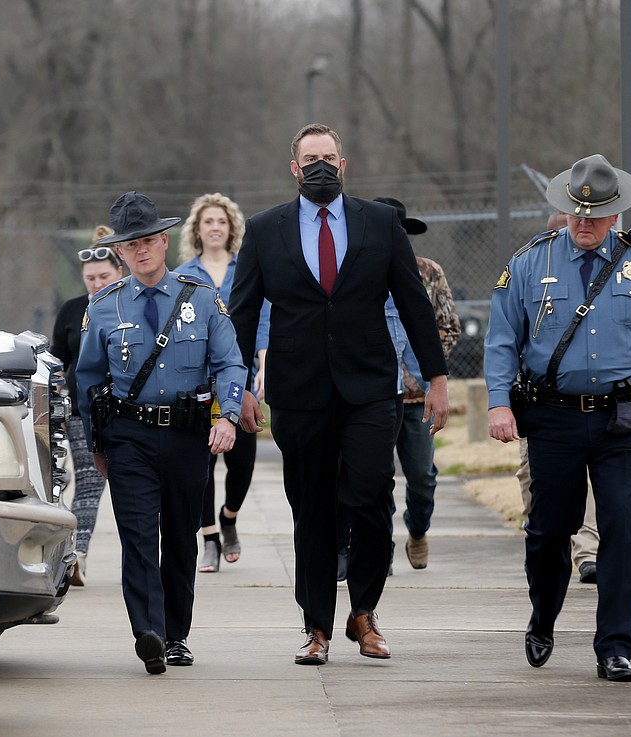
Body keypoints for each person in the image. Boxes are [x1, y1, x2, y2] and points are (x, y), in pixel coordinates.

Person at [484, 154, 631, 683]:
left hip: (620, 422)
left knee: (623, 531)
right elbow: (502, 342)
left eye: (594, 214)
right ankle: (543, 616)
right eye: (575, 212)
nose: (583, 222)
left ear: (615, 214)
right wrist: (499, 402)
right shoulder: (529, 265)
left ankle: (614, 646)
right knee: (550, 531)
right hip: (553, 419)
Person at [229, 124, 449, 666]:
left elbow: (415, 306)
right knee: (312, 510)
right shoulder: (264, 230)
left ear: (344, 165)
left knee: (371, 498)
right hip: (299, 392)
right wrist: (238, 391)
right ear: (294, 167)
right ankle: (316, 627)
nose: (321, 165)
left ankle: (365, 614)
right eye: (311, 158)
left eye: (330, 157)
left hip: (371, 387)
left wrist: (437, 380)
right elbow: (242, 315)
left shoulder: (380, 223)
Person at [76, 192, 247, 675]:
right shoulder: (105, 306)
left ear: (165, 242)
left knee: (179, 535)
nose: (143, 251)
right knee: (136, 535)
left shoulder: (201, 298)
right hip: (128, 435)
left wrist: (227, 415)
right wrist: (97, 443)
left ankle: (176, 634)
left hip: (187, 434)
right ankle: (147, 632)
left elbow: (230, 362)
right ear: (121, 253)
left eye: (150, 241)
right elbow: (88, 379)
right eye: (133, 246)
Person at [337, 198, 460, 579]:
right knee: (376, 477)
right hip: (374, 397)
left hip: (418, 398)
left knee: (421, 476)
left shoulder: (428, 272)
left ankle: (418, 528)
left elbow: (449, 327)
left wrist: (423, 366)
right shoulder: (357, 270)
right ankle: (381, 547)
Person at [178, 193, 270, 573]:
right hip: (197, 380)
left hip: (240, 376)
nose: (215, 227)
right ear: (197, 231)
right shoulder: (182, 274)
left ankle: (229, 515)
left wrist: (264, 365)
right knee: (201, 462)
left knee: (242, 462)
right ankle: (210, 536)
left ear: (231, 229)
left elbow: (263, 319)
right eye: (208, 222)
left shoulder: (247, 268)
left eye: (221, 221)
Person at [515, 210, 599, 584]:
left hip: (587, 405)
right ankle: (545, 534)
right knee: (531, 475)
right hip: (539, 405)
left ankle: (587, 552)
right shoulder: (530, 272)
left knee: (593, 482)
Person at [51, 225, 124, 586]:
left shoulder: (132, 306)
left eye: (104, 276)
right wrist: (56, 407)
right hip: (82, 414)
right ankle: (75, 553)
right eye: (90, 278)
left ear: (120, 272)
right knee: (87, 482)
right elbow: (54, 364)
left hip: (128, 413)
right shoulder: (72, 311)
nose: (96, 283)